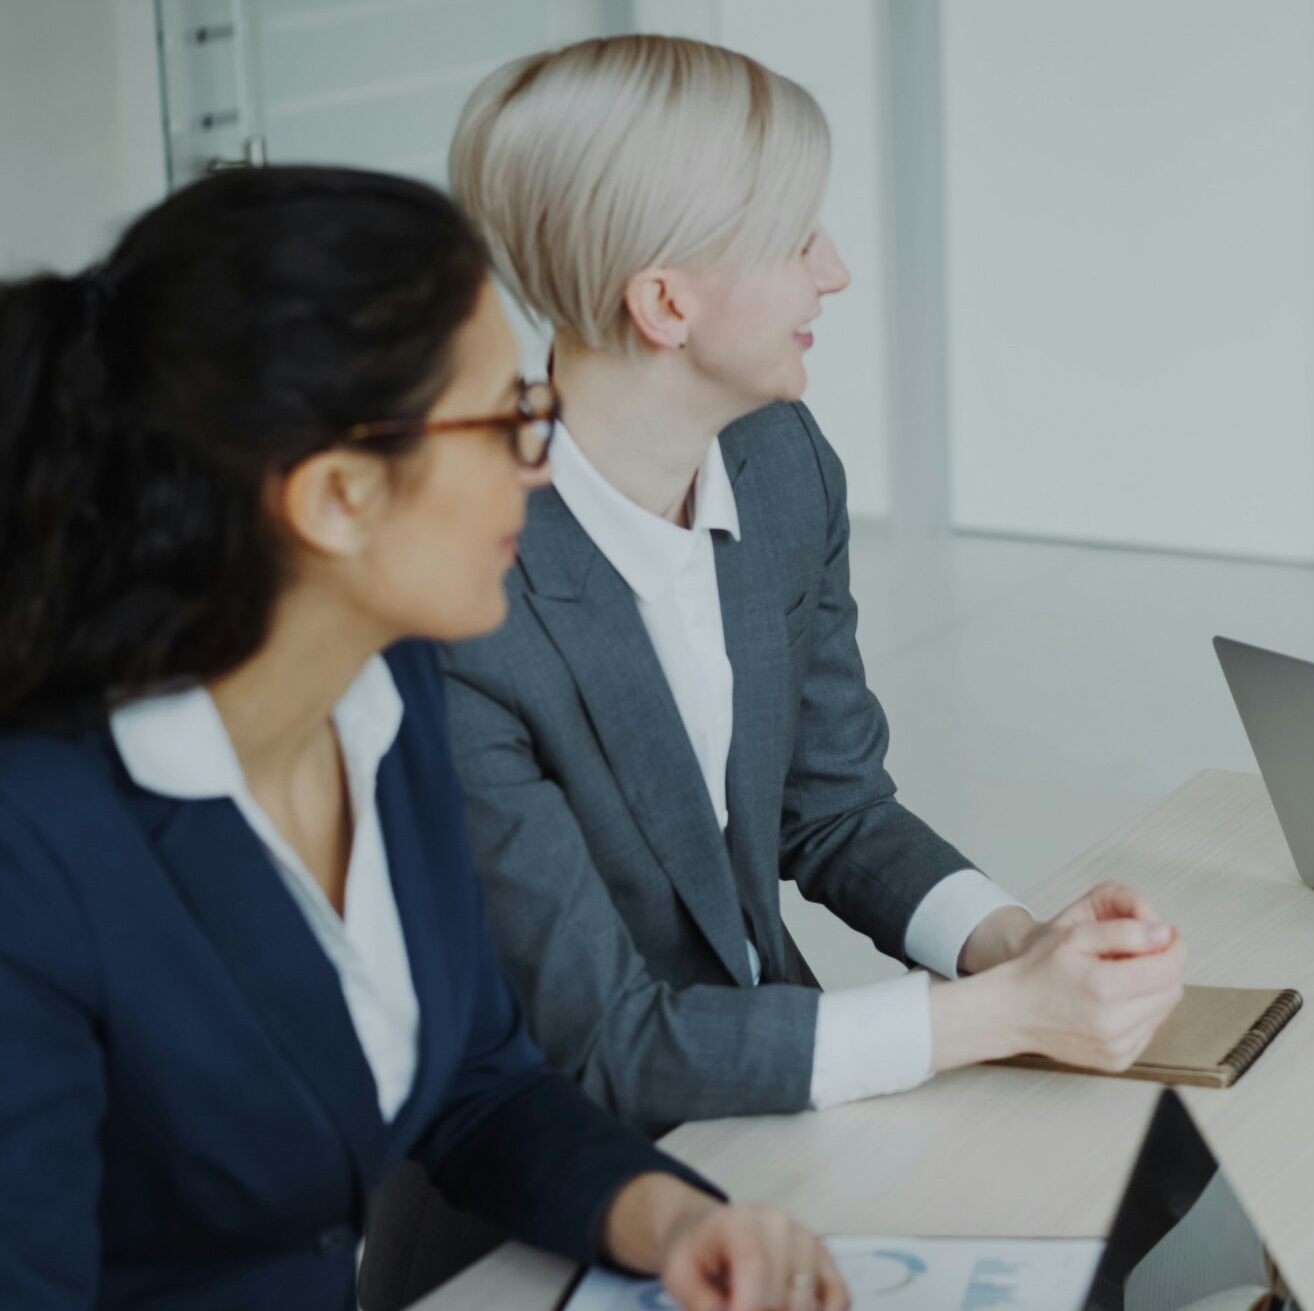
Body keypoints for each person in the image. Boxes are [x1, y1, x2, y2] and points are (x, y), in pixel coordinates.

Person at [0, 166, 846, 1311]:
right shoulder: (36, 855)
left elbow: (477, 1080)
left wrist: (673, 1216)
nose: (539, 461)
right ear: (339, 496)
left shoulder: (382, 694)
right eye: (507, 418)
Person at [435, 34, 1187, 1129]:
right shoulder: (460, 601)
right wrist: (994, 1018)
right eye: (795, 238)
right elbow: (605, 1043)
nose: (831, 269)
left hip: (775, 1101)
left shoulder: (776, 459)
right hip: (557, 1189)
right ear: (667, 305)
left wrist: (1017, 946)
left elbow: (829, 807)